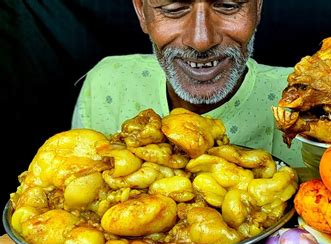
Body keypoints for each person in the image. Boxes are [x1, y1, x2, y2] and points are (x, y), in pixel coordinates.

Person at [72, 0, 303, 167]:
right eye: (174, 9)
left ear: (258, 8)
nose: (201, 40)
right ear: (142, 12)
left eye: (228, 6)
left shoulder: (307, 99)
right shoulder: (107, 83)